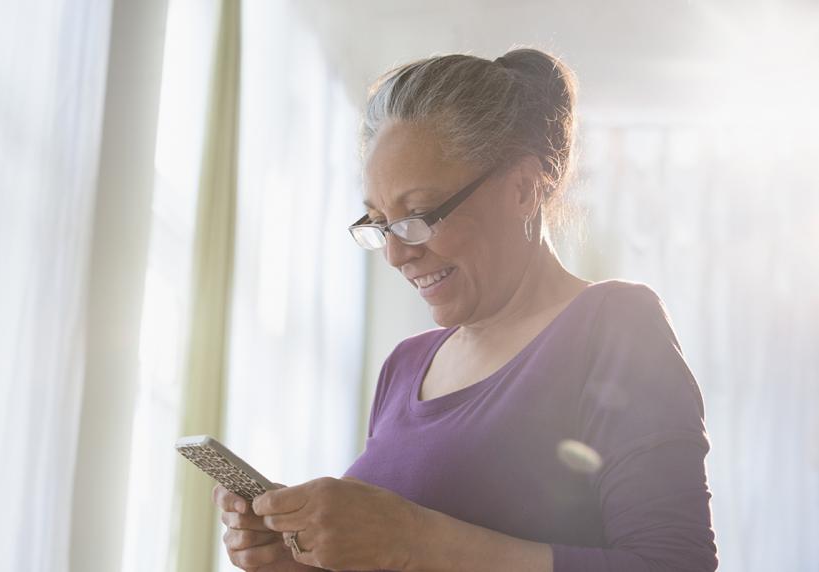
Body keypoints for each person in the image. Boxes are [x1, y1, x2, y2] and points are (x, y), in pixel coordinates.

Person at [213, 48, 718, 571]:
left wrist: (413, 539)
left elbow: (675, 565)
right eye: (379, 222)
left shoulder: (615, 327)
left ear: (522, 189)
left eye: (419, 215)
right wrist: (298, 560)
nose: (396, 252)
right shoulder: (404, 367)